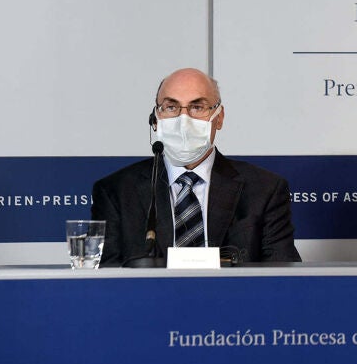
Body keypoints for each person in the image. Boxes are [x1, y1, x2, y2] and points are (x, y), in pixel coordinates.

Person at [92, 68, 301, 266]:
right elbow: (107, 278)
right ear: (155, 119)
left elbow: (282, 275)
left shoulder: (265, 189)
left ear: (219, 118)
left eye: (197, 107)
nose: (183, 121)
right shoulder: (115, 192)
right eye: (171, 107)